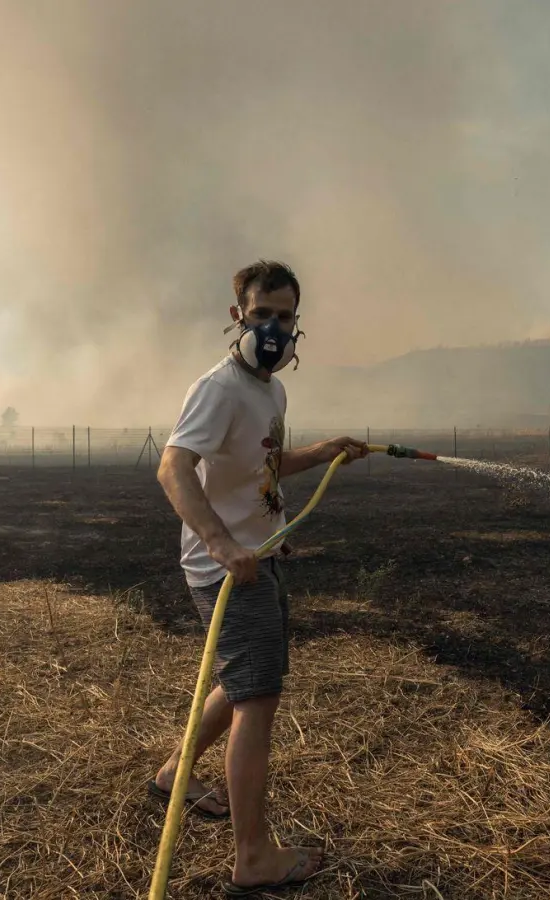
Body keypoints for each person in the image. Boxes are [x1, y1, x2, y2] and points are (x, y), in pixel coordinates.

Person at [149, 259, 367, 893]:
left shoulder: (272, 391)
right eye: (262, 314)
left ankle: (173, 774)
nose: (273, 328)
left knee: (246, 681)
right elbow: (173, 468)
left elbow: (260, 467)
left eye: (285, 317)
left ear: (298, 321)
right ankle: (253, 858)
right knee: (258, 700)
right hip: (228, 571)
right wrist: (220, 543)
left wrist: (321, 453)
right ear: (237, 315)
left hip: (259, 556)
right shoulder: (218, 388)